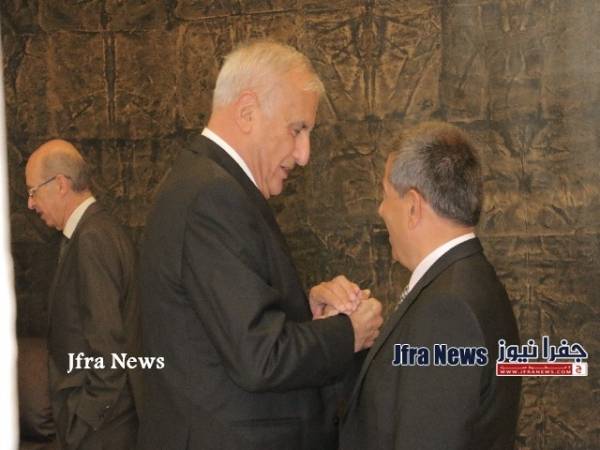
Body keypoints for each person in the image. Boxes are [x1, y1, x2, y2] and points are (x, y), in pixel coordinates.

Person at [138, 39, 383, 450]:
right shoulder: (212, 197)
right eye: (297, 129)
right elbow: (260, 356)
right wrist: (348, 332)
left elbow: (225, 326)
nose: (304, 155)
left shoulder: (207, 184)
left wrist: (307, 311)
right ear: (248, 112)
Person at [340, 122, 521, 450]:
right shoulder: (470, 282)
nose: (381, 209)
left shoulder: (447, 310)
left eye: (385, 195)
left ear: (413, 206)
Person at [25, 140, 142, 450]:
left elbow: (109, 348)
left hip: (102, 431)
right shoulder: (95, 231)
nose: (30, 204)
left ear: (60, 184)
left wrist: (83, 422)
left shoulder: (93, 238)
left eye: (33, 191)